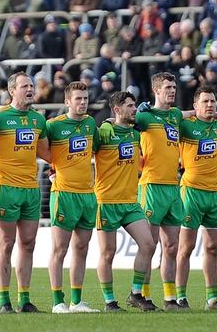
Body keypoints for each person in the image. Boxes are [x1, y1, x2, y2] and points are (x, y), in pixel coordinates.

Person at [0, 72, 49, 313]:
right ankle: (4, 300)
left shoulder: (38, 120)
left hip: (30, 190)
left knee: (29, 243)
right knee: (6, 243)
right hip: (6, 188)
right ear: (12, 90)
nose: (30, 89)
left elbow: (48, 154)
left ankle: (24, 299)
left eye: (32, 86)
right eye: (25, 86)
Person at [94, 91, 155, 312]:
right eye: (130, 106)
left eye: (135, 105)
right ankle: (110, 301)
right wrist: (105, 124)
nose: (134, 109)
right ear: (117, 109)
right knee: (108, 253)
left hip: (130, 202)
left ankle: (136, 293)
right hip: (106, 201)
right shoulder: (103, 134)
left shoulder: (135, 134)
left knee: (148, 244)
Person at [174, 86, 217, 310]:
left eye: (213, 102)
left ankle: (212, 299)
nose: (210, 105)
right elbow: (168, 120)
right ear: (195, 105)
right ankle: (180, 297)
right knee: (185, 247)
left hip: (216, 194)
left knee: (212, 248)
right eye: (205, 102)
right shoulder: (186, 126)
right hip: (191, 192)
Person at [44, 82, 100, 313]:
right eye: (78, 99)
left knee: (82, 248)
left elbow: (98, 149)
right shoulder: (53, 126)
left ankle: (77, 301)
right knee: (60, 249)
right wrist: (51, 170)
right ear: (67, 101)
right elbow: (37, 148)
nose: (83, 102)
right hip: (64, 193)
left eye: (85, 98)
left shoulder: (90, 124)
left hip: (87, 194)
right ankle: (58, 301)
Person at [133, 73, 184, 310]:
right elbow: (119, 119)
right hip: (151, 185)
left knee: (172, 246)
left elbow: (189, 115)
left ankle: (170, 297)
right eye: (167, 87)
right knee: (149, 244)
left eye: (174, 87)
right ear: (156, 90)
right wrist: (135, 113)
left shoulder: (174, 115)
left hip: (173, 188)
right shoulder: (143, 116)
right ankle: (142, 295)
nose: (172, 90)